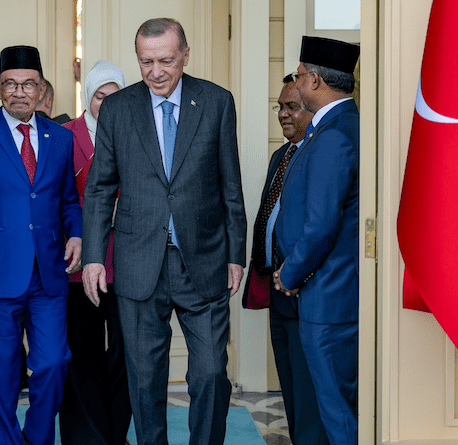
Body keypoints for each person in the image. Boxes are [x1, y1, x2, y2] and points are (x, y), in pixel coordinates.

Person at [81, 18, 247, 445]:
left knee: (211, 373)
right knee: (144, 379)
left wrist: (236, 254)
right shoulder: (118, 109)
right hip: (139, 265)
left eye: (166, 61)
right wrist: (95, 256)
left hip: (204, 260)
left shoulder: (216, 102)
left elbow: (231, 185)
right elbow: (99, 189)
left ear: (185, 56)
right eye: (146, 61)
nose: (156, 71)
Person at [0, 45, 82, 445]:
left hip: (48, 278)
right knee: (0, 374)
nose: (19, 92)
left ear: (41, 89)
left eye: (28, 84)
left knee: (53, 363)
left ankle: (37, 440)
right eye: (10, 84)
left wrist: (76, 233)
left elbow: (69, 202)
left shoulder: (59, 138)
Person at [273, 36, 360, 445]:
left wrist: (290, 272)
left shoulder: (334, 135)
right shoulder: (338, 126)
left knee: (336, 412)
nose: (299, 82)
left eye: (301, 75)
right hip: (329, 293)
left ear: (315, 80)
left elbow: (322, 224)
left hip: (328, 296)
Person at [244, 75, 328, 444]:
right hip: (276, 287)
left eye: (291, 106)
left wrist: (292, 271)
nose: (282, 114)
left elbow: (320, 223)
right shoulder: (282, 155)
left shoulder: (318, 152)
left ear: (312, 108)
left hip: (304, 288)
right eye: (279, 106)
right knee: (290, 383)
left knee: (309, 391)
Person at [59, 60, 131, 445]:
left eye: (114, 95)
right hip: (77, 263)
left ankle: (116, 434)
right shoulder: (63, 136)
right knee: (80, 353)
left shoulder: (136, 134)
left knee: (125, 355)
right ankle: (85, 437)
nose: (107, 103)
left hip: (127, 262)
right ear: (88, 96)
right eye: (100, 95)